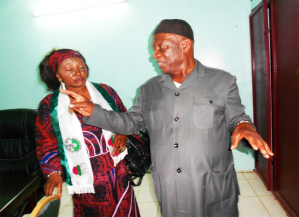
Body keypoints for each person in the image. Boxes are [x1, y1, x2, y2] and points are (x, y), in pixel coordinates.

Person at [62, 19, 274, 217]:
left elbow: (237, 118)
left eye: (161, 47)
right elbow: (130, 123)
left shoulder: (222, 81)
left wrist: (244, 126)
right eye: (154, 49)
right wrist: (93, 111)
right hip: (170, 184)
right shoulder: (149, 89)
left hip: (212, 182)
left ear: (184, 45)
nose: (155, 55)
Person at [35, 49, 140, 217]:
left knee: (125, 208)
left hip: (116, 167)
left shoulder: (105, 91)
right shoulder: (50, 105)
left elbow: (124, 117)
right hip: (83, 173)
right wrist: (52, 173)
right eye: (69, 69)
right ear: (58, 75)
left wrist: (122, 133)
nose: (78, 72)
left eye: (81, 67)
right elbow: (46, 141)